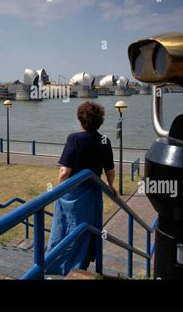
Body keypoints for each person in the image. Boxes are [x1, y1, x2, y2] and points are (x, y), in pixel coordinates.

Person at [45, 101, 116, 275]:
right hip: (92, 194)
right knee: (85, 229)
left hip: (72, 193)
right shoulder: (105, 141)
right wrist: (111, 186)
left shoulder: (74, 139)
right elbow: (110, 171)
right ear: (100, 121)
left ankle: (57, 263)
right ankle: (80, 263)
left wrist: (58, 190)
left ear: (80, 119)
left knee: (64, 227)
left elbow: (64, 171)